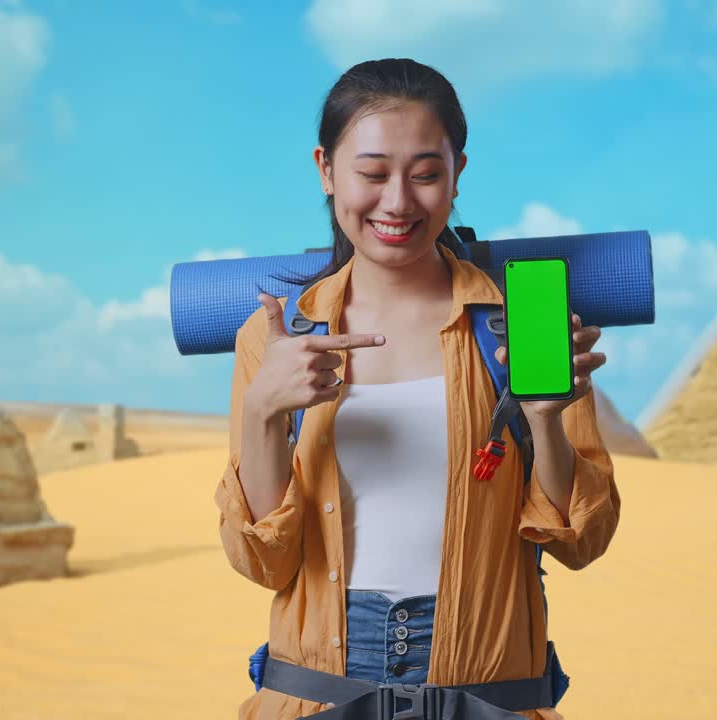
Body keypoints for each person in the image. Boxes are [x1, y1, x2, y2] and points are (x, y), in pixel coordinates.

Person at [215, 58, 621, 719]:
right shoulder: (271, 339)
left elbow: (582, 543)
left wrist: (546, 421)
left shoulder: (524, 326)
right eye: (372, 173)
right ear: (326, 169)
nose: (398, 201)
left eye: (427, 174)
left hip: (490, 695)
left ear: (458, 171)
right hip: (315, 696)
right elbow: (264, 564)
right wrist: (264, 411)